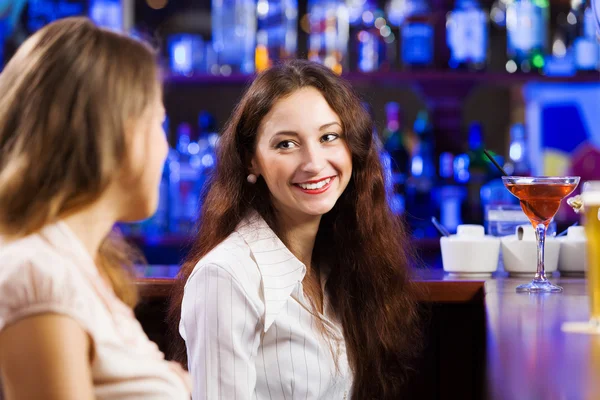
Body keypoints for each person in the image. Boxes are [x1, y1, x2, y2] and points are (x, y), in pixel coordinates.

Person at [169, 59, 422, 400]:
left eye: (329, 137)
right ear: (251, 159)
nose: (314, 163)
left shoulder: (343, 261)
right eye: (286, 144)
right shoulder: (225, 277)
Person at [0, 17, 190, 399]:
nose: (164, 148)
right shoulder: (39, 274)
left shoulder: (76, 266)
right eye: (158, 122)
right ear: (116, 132)